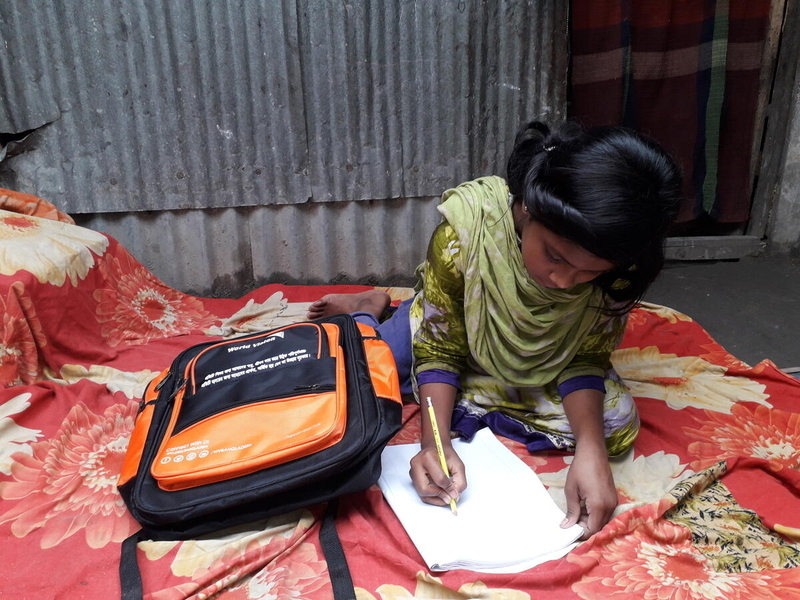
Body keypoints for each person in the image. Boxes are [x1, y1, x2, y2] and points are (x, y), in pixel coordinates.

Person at [307, 120, 682, 538]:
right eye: (554, 256)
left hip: (543, 350)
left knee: (613, 424)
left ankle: (478, 385)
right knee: (365, 374)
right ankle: (367, 308)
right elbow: (439, 348)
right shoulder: (467, 236)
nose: (562, 281)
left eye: (588, 272)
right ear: (527, 208)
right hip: (450, 324)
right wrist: (435, 441)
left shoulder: (621, 267)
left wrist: (591, 451)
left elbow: (584, 356)